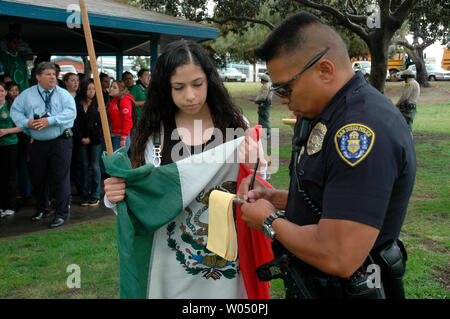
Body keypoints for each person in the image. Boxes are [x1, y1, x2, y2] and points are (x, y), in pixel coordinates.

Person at [237, 12, 416, 299]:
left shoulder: (359, 131)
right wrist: (279, 199)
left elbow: (340, 255)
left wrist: (270, 222)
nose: (283, 99)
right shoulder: (333, 112)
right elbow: (336, 198)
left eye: (286, 88)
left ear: (325, 70)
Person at [104, 39, 270, 299]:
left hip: (228, 268)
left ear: (210, 81)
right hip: (172, 269)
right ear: (165, 88)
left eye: (197, 84)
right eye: (178, 87)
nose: (190, 96)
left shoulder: (235, 126)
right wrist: (115, 195)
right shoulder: (152, 136)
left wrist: (256, 167)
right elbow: (140, 202)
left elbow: (258, 188)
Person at [10, 62, 76, 228]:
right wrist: (26, 123)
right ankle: (43, 208)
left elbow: (71, 113)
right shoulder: (27, 95)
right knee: (38, 177)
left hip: (60, 141)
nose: (52, 77)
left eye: (54, 74)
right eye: (48, 74)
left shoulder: (63, 94)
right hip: (37, 143)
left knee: (60, 178)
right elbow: (15, 112)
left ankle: (61, 213)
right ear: (38, 77)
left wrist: (50, 121)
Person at [73, 80, 103, 207]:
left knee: (95, 166)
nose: (92, 91)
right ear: (84, 89)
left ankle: (95, 195)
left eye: (94, 89)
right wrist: (81, 138)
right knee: (84, 166)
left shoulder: (98, 104)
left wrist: (90, 138)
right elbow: (74, 123)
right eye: (89, 89)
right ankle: (85, 194)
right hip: (81, 139)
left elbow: (101, 125)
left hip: (95, 140)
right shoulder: (77, 103)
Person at [6, 81, 31, 205]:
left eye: (16, 89)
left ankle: (26, 193)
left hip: (21, 140)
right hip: (10, 141)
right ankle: (16, 193)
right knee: (13, 169)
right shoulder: (7, 105)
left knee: (22, 167)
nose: (15, 92)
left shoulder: (22, 104)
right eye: (12, 90)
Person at [0, 82, 22, 218]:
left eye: (1, 91)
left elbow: (21, 127)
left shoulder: (11, 107)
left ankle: (11, 205)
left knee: (10, 176)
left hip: (10, 145)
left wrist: (5, 131)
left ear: (6, 92)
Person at [108, 80, 134, 151]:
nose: (111, 89)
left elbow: (127, 119)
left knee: (117, 161)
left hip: (121, 136)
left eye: (114, 88)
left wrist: (123, 137)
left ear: (121, 90)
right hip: (115, 134)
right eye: (111, 86)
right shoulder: (115, 99)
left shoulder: (124, 100)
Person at [396, 69, 420, 136]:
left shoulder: (410, 84)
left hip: (407, 109)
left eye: (405, 78)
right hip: (412, 107)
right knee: (409, 126)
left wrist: (397, 104)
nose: (404, 80)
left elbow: (404, 96)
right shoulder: (416, 83)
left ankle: (409, 143)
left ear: (407, 77)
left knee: (407, 128)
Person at [252, 73, 273, 138]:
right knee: (263, 119)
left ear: (263, 80)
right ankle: (263, 133)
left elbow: (263, 97)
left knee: (264, 120)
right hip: (264, 104)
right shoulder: (268, 85)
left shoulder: (265, 87)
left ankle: (267, 134)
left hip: (264, 105)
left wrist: (256, 100)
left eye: (261, 79)